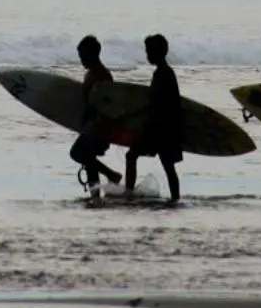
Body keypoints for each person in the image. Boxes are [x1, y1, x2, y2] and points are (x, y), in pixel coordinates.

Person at [124, 33, 184, 202]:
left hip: (161, 129)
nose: (147, 55)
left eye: (149, 51)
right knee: (166, 166)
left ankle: (129, 194)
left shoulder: (164, 74)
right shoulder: (163, 72)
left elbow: (159, 103)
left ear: (158, 52)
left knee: (136, 157)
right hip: (162, 128)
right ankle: (175, 198)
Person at [69, 35, 122, 194]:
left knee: (77, 153)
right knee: (89, 164)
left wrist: (100, 128)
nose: (81, 60)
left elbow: (107, 105)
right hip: (90, 125)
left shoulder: (102, 76)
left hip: (99, 127)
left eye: (83, 56)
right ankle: (95, 196)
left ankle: (112, 175)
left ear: (92, 54)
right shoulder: (90, 74)